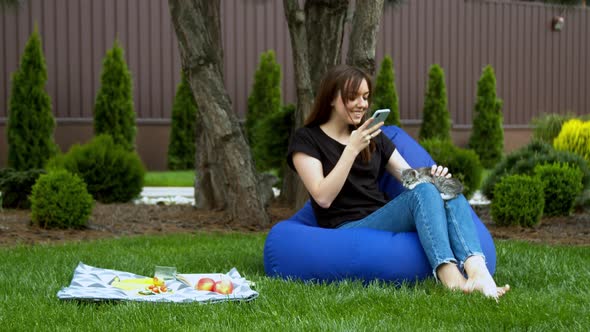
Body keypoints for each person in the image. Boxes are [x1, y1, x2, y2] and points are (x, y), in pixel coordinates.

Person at [287, 64, 510, 300]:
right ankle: (451, 279)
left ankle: (477, 270)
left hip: (382, 217)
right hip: (346, 227)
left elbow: (408, 176)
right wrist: (351, 149)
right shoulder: (307, 139)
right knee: (424, 192)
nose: (362, 104)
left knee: (444, 189)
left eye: (365, 97)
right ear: (332, 98)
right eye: (353, 97)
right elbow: (322, 197)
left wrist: (433, 177)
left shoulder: (373, 135)